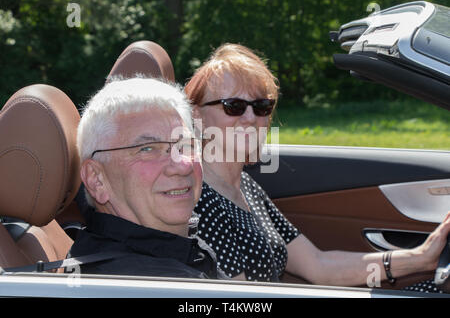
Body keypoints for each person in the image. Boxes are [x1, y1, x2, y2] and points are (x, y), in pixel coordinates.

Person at [184, 43, 450, 289]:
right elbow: (242, 301)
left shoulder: (245, 186)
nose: (251, 118)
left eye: (262, 106)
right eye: (234, 106)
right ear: (197, 116)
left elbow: (318, 266)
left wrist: (420, 258)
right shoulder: (200, 202)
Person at [69, 77, 223, 279]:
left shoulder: (172, 254)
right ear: (96, 179)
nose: (183, 165)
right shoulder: (139, 285)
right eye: (148, 149)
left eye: (185, 145)